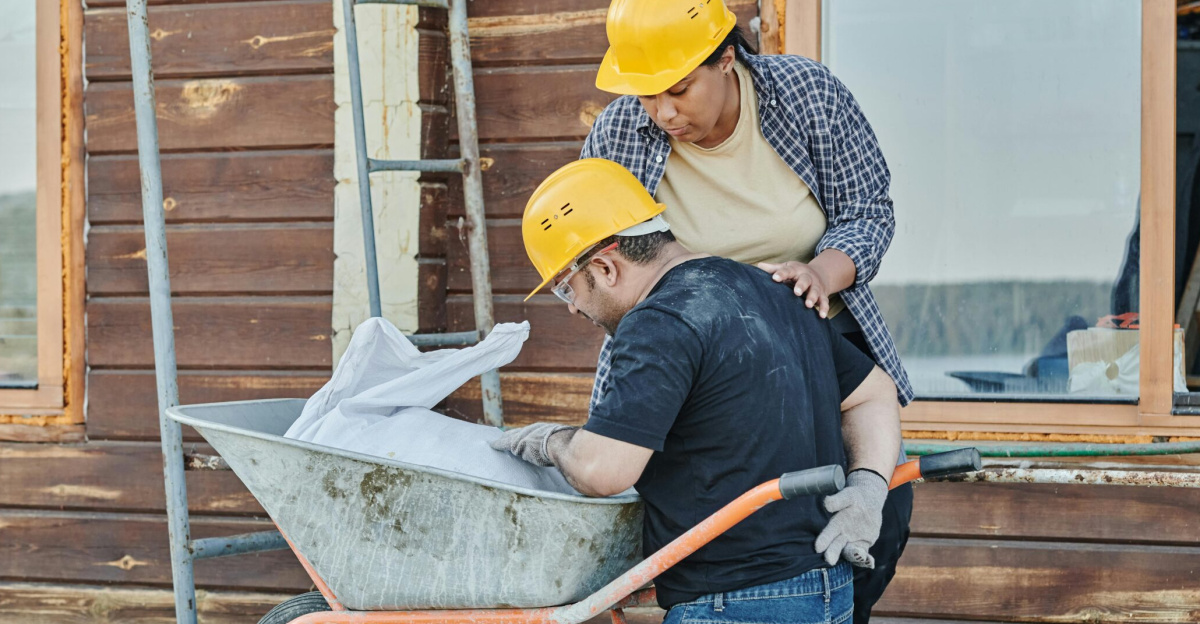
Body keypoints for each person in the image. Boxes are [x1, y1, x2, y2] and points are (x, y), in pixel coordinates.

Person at [581, 2, 913, 620]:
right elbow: (590, 257)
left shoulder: (805, 93)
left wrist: (821, 272)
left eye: (678, 90)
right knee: (715, 526)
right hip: (692, 348)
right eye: (645, 95)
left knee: (880, 521)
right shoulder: (622, 132)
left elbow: (868, 210)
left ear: (727, 58)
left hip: (813, 324)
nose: (662, 113)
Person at [492, 159, 901, 624]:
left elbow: (603, 470)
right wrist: (869, 485)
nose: (573, 309)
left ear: (605, 265)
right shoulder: (775, 289)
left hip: (734, 603)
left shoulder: (657, 322)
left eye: (568, 289)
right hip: (828, 590)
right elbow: (873, 392)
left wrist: (550, 442)